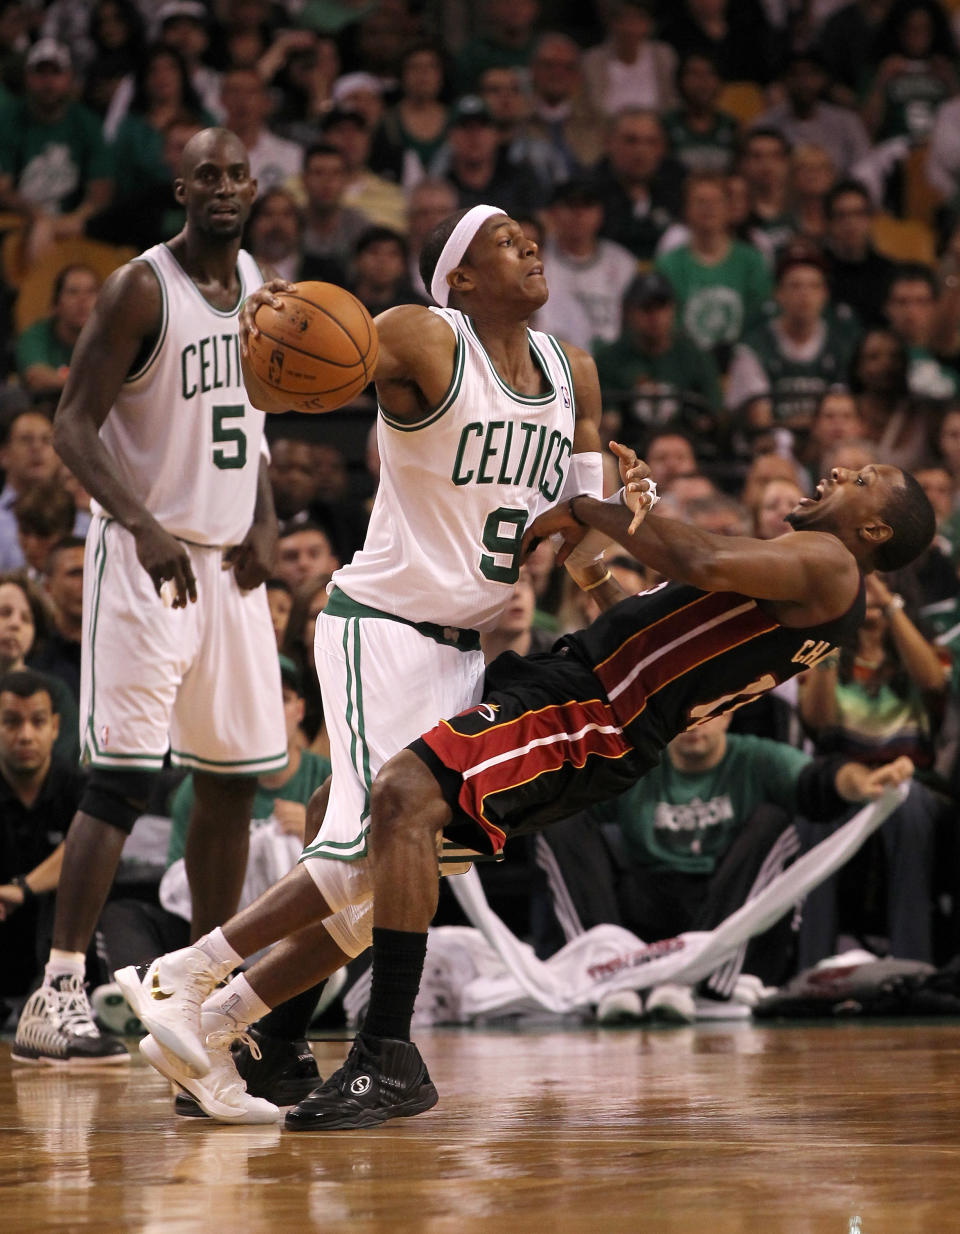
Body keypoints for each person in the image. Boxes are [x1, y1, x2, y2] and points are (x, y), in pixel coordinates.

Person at [117, 457, 935, 1131]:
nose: (837, 469)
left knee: (399, 794)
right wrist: (595, 564)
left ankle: (260, 1002)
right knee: (370, 841)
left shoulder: (831, 566)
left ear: (871, 530)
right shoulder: (803, 583)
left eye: (861, 477)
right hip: (598, 710)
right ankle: (233, 1031)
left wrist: (597, 505)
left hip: (588, 711)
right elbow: (657, 630)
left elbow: (701, 560)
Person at [116, 201, 614, 1121]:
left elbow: (589, 537)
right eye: (505, 240)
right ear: (459, 278)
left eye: (529, 236)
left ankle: (221, 1026)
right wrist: (264, 323)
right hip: (379, 626)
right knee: (376, 857)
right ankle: (183, 977)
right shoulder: (422, 338)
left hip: (466, 651)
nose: (530, 245)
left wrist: (622, 575)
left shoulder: (571, 369)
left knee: (387, 888)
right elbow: (283, 379)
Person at [12, 127, 286, 1067]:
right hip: (145, 557)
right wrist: (137, 522)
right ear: (179, 187)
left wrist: (266, 517)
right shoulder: (140, 287)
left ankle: (202, 1000)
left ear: (254, 186)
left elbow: (246, 424)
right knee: (126, 780)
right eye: (205, 173)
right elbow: (72, 425)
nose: (223, 186)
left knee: (231, 782)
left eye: (236, 173)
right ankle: (55, 992)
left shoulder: (256, 279)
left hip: (228, 563)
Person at [534, 712, 913, 1023]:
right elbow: (568, 796)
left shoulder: (756, 758)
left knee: (775, 821)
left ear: (729, 714)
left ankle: (698, 981)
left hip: (730, 924)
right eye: (684, 713)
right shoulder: (639, 760)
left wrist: (863, 784)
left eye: (709, 711)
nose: (696, 722)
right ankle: (609, 977)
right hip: (651, 917)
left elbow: (821, 781)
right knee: (559, 820)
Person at [0, 669, 83, 1003]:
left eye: (38, 721)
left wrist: (23, 889)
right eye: (11, 722)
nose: (26, 735)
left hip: (55, 932)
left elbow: (84, 853)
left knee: (70, 897)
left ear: (56, 728)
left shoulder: (77, 786)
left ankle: (57, 1002)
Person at [16, 264, 100, 397]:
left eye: (91, 292)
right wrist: (90, 385)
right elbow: (36, 377)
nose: (83, 300)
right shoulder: (36, 335)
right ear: (56, 304)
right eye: (73, 292)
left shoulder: (110, 336)